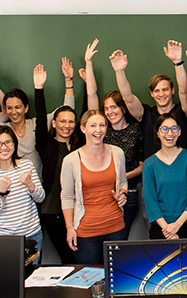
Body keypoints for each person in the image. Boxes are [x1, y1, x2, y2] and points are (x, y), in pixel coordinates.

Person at [83, 40, 143, 239]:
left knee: (119, 240)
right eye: (106, 108)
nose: (109, 112)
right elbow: (91, 94)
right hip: (101, 195)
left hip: (129, 194)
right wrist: (88, 62)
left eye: (114, 107)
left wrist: (122, 176)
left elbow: (143, 165)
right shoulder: (101, 131)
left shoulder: (135, 130)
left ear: (122, 108)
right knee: (100, 241)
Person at [61, 110, 128, 265]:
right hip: (86, 230)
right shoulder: (71, 160)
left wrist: (123, 193)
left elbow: (123, 182)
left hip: (115, 226)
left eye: (102, 125)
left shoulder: (117, 153)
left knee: (118, 277)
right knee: (89, 277)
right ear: (83, 128)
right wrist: (70, 228)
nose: (98, 130)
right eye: (93, 125)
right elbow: (66, 197)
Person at [36, 59, 81, 264]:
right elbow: (38, 115)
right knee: (68, 257)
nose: (67, 125)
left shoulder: (80, 146)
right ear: (54, 123)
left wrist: (71, 81)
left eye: (71, 121)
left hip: (78, 210)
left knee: (82, 255)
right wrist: (38, 89)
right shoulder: (47, 145)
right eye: (62, 121)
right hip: (53, 211)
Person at [0, 126, 45, 261]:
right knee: (7, 278)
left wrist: (30, 185)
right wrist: (1, 192)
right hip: (4, 239)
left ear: (14, 144)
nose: (4, 147)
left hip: (32, 234)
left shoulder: (26, 165)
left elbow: (40, 198)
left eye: (8, 142)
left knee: (32, 278)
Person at [143, 114, 187, 240]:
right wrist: (168, 230)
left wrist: (177, 225)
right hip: (161, 228)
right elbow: (150, 202)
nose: (169, 133)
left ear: (179, 132)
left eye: (174, 128)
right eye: (164, 129)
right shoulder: (149, 164)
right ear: (158, 133)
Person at [0, 64, 43, 177]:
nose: (13, 112)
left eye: (17, 107)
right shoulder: (3, 130)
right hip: (11, 186)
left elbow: (64, 113)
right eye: (9, 108)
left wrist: (68, 81)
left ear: (26, 108)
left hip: (36, 184)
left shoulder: (35, 124)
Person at [142, 40, 187, 157]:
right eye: (157, 90)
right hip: (154, 171)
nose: (161, 94)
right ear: (151, 93)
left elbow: (183, 90)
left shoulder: (182, 112)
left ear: (172, 90)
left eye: (165, 89)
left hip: (179, 167)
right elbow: (128, 99)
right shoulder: (147, 113)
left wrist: (177, 62)